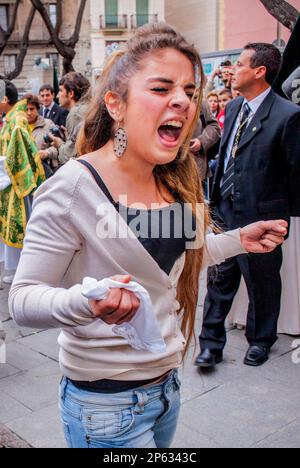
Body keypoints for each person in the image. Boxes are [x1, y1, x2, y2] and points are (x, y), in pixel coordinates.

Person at [9, 25, 287, 449]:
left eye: (190, 91)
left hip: (167, 392)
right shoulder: (73, 188)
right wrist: (86, 302)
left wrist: (238, 240)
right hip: (104, 407)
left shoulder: (173, 179)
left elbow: (178, 257)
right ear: (116, 105)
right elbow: (23, 299)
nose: (183, 101)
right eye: (161, 88)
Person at [195, 43, 300, 370]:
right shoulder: (236, 107)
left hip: (264, 216)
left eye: (240, 64)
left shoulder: (288, 115)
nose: (232, 70)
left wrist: (282, 217)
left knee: (262, 283)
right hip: (225, 212)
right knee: (218, 280)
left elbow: (296, 171)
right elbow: (227, 157)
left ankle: (261, 340)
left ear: (260, 71)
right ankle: (210, 344)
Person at [0, 80, 45, 284]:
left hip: (16, 181)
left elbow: (18, 154)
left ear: (5, 99)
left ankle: (23, 273)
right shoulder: (12, 117)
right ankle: (17, 270)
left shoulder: (16, 120)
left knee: (20, 226)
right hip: (9, 181)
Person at [49, 72, 91, 164]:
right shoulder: (90, 107)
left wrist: (59, 144)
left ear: (71, 93)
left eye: (60, 91)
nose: (57, 95)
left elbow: (69, 157)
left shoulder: (76, 113)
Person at [25, 94, 59, 175]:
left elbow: (60, 147)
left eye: (32, 109)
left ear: (37, 109)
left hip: (44, 173)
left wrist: (47, 152)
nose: (29, 113)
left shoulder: (48, 124)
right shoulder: (18, 127)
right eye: (26, 109)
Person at [189, 100, 221, 180]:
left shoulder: (200, 102)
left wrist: (202, 141)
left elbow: (214, 126)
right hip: (166, 170)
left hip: (196, 170)